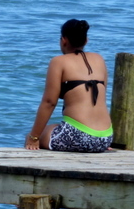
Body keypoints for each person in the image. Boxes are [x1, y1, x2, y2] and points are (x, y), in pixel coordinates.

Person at [25, 19, 113, 153]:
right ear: (86, 41)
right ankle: (96, 140)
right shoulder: (99, 59)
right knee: (54, 127)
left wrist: (33, 137)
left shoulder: (58, 62)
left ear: (64, 40)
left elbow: (49, 102)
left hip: (79, 137)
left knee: (37, 134)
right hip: (105, 138)